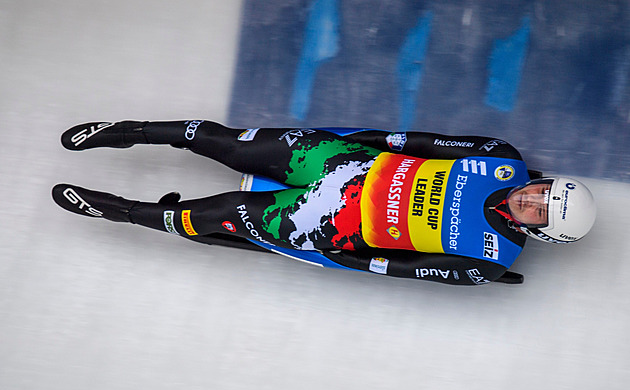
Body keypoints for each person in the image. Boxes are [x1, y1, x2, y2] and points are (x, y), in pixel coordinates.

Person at [52, 120, 597, 285]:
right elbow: (415, 144)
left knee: (203, 216)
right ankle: (128, 131)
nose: (532, 196)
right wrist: (352, 141)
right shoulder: (501, 158)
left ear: (543, 231)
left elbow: (402, 267)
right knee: (216, 139)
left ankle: (120, 210)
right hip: (340, 163)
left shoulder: (488, 259)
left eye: (541, 209)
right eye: (544, 189)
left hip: (326, 223)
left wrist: (344, 256)